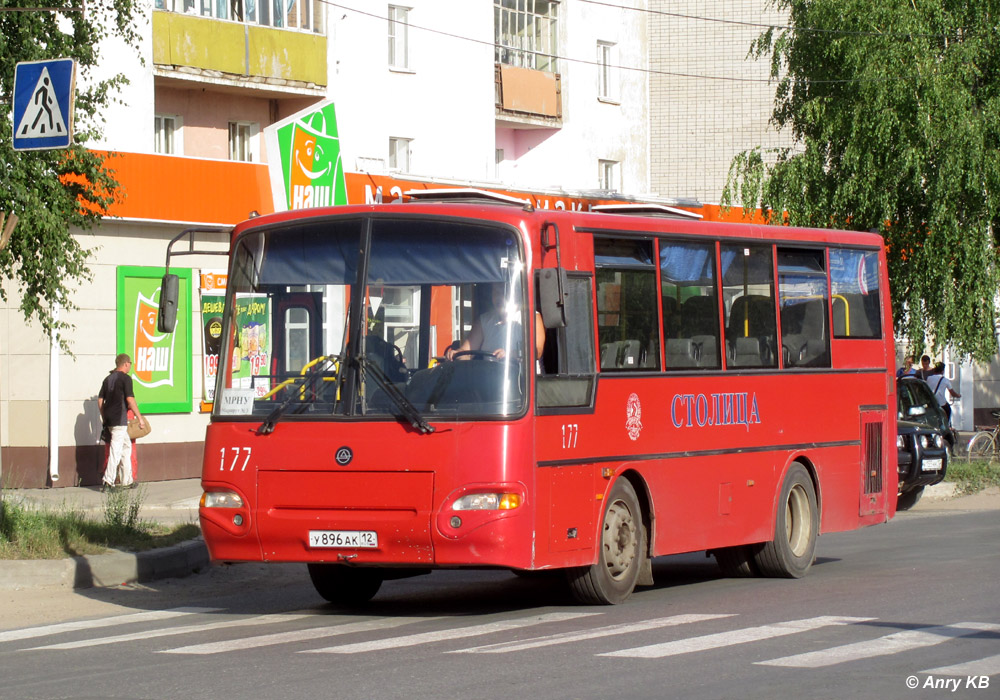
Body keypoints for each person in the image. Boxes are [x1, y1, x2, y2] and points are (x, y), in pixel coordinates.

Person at [445, 283, 545, 361]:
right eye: (495, 292)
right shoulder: (484, 320)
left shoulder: (532, 317)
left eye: (503, 292)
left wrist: (510, 354)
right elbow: (466, 352)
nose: (498, 297)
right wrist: (456, 354)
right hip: (490, 381)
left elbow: (537, 351)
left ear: (515, 293)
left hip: (523, 383)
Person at [98, 353, 145, 490]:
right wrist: (140, 418)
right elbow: (130, 400)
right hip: (120, 420)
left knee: (126, 447)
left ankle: (127, 480)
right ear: (125, 364)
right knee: (116, 450)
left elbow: (100, 401)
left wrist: (104, 417)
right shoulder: (126, 379)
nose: (130, 365)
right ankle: (108, 481)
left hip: (111, 421)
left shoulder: (107, 379)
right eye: (130, 363)